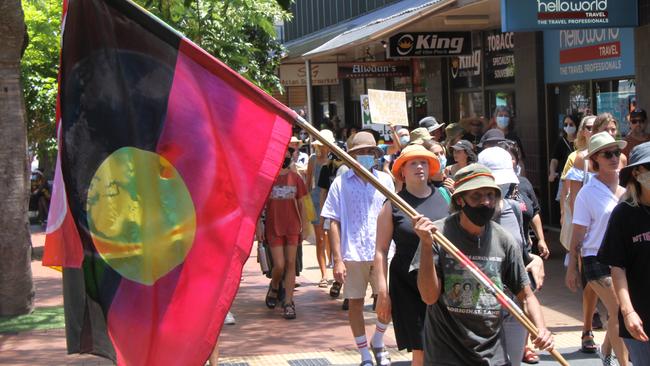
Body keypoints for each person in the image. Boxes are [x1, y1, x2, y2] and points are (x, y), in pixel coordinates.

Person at [411, 164, 553, 365]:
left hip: (492, 356)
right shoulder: (438, 235)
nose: (486, 202)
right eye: (476, 196)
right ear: (460, 200)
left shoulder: (504, 240)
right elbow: (429, 296)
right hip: (446, 355)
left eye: (490, 195)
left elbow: (526, 296)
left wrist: (541, 328)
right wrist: (426, 246)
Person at [321, 131, 395, 366]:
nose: (365, 156)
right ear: (351, 156)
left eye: (369, 152)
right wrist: (338, 259)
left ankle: (379, 341)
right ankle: (364, 353)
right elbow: (333, 221)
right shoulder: (340, 183)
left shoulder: (385, 181)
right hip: (353, 252)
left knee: (387, 298)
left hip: (383, 252)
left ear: (375, 154)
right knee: (355, 302)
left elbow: (394, 215)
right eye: (360, 152)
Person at [374, 145, 448, 366]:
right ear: (402, 171)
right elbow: (380, 250)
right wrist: (382, 292)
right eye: (413, 163)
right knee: (421, 346)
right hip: (407, 284)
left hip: (443, 281)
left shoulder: (445, 197)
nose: (419, 167)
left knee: (444, 344)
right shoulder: (392, 205)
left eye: (424, 162)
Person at [565, 132, 630, 366]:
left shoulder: (626, 192)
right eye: (607, 154)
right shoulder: (586, 194)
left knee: (620, 312)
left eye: (617, 152)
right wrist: (572, 267)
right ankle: (623, 363)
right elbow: (578, 235)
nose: (614, 157)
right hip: (595, 259)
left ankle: (605, 350)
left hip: (622, 260)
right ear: (595, 159)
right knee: (620, 311)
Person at [598, 142, 650, 366]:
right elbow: (617, 268)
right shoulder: (624, 214)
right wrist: (628, 312)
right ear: (638, 173)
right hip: (640, 316)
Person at [558, 115, 606, 354]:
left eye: (613, 129)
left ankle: (610, 349)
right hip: (590, 238)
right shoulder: (577, 160)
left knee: (616, 301)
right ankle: (589, 328)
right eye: (593, 128)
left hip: (613, 237)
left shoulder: (622, 160)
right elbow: (571, 198)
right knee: (594, 288)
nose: (613, 158)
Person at [257, 147, 307, 320]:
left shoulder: (296, 179)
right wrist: (258, 226)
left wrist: (306, 226)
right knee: (279, 265)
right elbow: (258, 205)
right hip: (273, 227)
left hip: (293, 227)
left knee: (291, 262)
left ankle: (288, 302)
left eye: (287, 153)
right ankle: (275, 284)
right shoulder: (267, 180)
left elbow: (305, 203)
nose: (284, 156)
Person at [307, 129, 336, 288]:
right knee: (320, 239)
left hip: (332, 201)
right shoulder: (313, 159)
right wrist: (307, 207)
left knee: (333, 238)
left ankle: (333, 269)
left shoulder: (336, 159)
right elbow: (307, 183)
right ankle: (324, 274)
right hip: (316, 201)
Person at [549, 115, 578, 201]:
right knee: (564, 203)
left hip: (579, 177)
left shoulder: (581, 141)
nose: (568, 127)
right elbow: (554, 160)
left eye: (571, 124)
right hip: (565, 178)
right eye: (566, 124)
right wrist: (552, 172)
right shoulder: (561, 142)